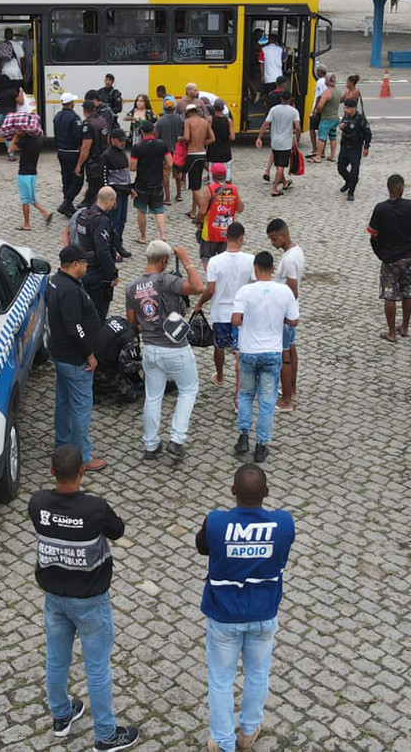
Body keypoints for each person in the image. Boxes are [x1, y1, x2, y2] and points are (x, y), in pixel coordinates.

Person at [29, 445, 138, 752]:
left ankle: (62, 715)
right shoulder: (95, 508)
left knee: (57, 658)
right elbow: (117, 530)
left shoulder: (38, 503)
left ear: (51, 471)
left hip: (54, 597)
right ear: (82, 470)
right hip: (90, 600)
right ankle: (105, 734)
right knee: (98, 666)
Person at [196, 465, 295, 752]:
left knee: (221, 679)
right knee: (257, 674)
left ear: (232, 491)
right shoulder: (283, 523)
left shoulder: (216, 522)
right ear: (266, 492)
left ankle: (224, 742)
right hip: (263, 613)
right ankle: (249, 730)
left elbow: (202, 547)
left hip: (224, 615)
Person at [124, 241, 204, 462]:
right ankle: (176, 439)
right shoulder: (167, 281)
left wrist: (149, 322)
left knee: (153, 397)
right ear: (164, 260)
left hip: (150, 349)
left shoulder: (132, 287)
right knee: (188, 389)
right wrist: (186, 260)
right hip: (175, 348)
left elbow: (132, 322)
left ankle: (151, 445)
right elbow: (198, 287)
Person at [231, 252, 300, 463]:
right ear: (272, 269)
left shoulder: (244, 291)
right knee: (267, 401)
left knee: (245, 395)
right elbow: (294, 321)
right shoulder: (285, 291)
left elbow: (235, 320)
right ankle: (261, 445)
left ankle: (243, 437)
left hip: (249, 351)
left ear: (255, 268)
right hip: (272, 351)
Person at [47, 248, 108, 472]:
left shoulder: (55, 281)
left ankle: (61, 445)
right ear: (74, 264)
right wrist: (89, 354)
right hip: (75, 359)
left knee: (63, 403)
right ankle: (82, 457)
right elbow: (75, 327)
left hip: (60, 353)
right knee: (81, 408)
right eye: (84, 263)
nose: (87, 266)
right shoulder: (70, 290)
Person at [367, 174, 411, 342]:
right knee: (408, 291)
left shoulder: (380, 209)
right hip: (409, 257)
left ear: (388, 188)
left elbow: (373, 234)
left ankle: (391, 332)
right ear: (402, 188)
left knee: (389, 295)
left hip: (390, 259)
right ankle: (404, 327)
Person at [194, 221, 254, 389]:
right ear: (242, 238)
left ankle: (220, 376)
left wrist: (199, 303)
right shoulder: (251, 260)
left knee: (219, 346)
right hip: (241, 314)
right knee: (239, 351)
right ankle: (239, 389)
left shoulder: (214, 261)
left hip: (220, 312)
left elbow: (210, 289)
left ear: (226, 237)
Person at [267, 219, 303, 411]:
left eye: (274, 239)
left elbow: (292, 289)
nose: (273, 243)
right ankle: (292, 389)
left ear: (284, 235)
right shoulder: (296, 251)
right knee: (291, 349)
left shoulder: (289, 260)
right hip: (292, 312)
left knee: (284, 356)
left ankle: (287, 400)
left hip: (284, 315)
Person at [75, 187, 121, 322]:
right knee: (98, 314)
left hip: (85, 269)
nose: (114, 206)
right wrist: (112, 274)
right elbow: (102, 251)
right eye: (114, 202)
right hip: (98, 274)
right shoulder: (100, 221)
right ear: (110, 201)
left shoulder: (83, 215)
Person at [129, 120, 171, 244]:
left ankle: (143, 236)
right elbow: (170, 162)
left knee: (141, 210)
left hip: (142, 183)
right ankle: (163, 234)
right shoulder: (162, 145)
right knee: (159, 210)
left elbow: (132, 167)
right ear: (153, 130)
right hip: (157, 182)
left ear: (141, 131)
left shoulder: (137, 147)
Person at [195, 162, 244, 263]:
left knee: (207, 257)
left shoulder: (208, 190)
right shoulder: (233, 189)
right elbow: (240, 209)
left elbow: (203, 211)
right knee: (225, 260)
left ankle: (211, 277)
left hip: (210, 232)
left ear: (212, 175)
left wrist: (198, 222)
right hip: (227, 232)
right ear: (225, 175)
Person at [256, 93, 300, 198]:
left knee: (278, 163)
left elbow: (265, 124)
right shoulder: (294, 111)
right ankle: (274, 188)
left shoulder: (274, 109)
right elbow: (297, 127)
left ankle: (284, 182)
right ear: (290, 99)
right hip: (286, 143)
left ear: (281, 98)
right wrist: (297, 139)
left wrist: (259, 137)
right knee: (281, 166)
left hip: (275, 141)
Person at [75, 100, 110, 208]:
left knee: (93, 183)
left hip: (93, 159)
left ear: (85, 110)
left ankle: (93, 205)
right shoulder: (103, 121)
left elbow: (86, 147)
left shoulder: (88, 125)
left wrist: (79, 165)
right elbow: (107, 139)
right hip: (104, 156)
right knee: (101, 182)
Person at [102, 129, 132, 255]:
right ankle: (111, 247)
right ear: (112, 140)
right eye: (120, 140)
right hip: (115, 194)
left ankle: (118, 244)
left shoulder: (121, 152)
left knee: (122, 221)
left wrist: (131, 188)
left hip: (124, 192)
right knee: (113, 222)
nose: (122, 143)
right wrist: (110, 198)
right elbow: (103, 178)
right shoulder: (107, 155)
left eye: (124, 140)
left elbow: (125, 175)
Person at [336, 97, 371, 201]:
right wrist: (341, 126)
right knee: (341, 168)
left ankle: (351, 192)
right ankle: (348, 182)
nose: (345, 110)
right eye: (344, 108)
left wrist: (366, 147)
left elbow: (368, 133)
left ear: (353, 108)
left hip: (355, 148)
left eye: (347, 108)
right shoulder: (346, 116)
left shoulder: (360, 119)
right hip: (344, 146)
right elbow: (342, 125)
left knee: (354, 171)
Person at [182, 105, 215, 218]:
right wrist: (202, 143)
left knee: (194, 187)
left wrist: (180, 139)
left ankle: (205, 212)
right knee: (196, 185)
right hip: (202, 154)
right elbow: (212, 139)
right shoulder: (205, 122)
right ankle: (193, 211)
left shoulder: (188, 122)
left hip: (192, 155)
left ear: (189, 113)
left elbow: (186, 137)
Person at [55, 92, 83, 216]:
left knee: (66, 178)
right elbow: (78, 136)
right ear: (71, 103)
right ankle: (67, 202)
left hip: (61, 151)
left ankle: (68, 205)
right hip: (72, 152)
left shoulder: (57, 115)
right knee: (78, 179)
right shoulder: (74, 118)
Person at [155, 97, 185, 205]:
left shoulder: (160, 121)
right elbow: (183, 132)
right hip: (177, 151)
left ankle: (167, 198)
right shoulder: (179, 119)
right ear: (174, 108)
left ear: (164, 108)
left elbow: (157, 136)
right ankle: (179, 195)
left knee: (165, 174)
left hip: (165, 151)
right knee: (178, 174)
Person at [311, 73, 340, 163]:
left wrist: (316, 111)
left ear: (326, 81)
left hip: (326, 118)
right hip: (335, 117)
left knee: (321, 137)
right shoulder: (338, 91)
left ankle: (318, 156)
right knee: (333, 137)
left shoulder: (327, 92)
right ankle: (332, 156)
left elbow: (320, 106)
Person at [307, 63, 327, 161]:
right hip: (324, 109)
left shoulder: (319, 82)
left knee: (312, 129)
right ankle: (322, 151)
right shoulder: (327, 82)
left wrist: (315, 110)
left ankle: (315, 149)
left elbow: (319, 97)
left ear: (319, 72)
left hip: (318, 108)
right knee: (322, 130)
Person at [208, 99, 233, 175]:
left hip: (213, 151)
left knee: (213, 174)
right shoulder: (228, 121)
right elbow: (232, 137)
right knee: (226, 174)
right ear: (223, 108)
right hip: (225, 151)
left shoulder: (210, 119)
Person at [259, 34, 285, 99]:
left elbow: (261, 64)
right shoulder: (280, 49)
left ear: (269, 40)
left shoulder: (263, 50)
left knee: (270, 95)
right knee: (279, 95)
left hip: (268, 76)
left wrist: (262, 76)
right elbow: (284, 60)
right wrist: (286, 52)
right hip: (279, 76)